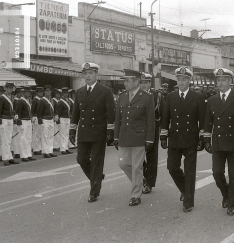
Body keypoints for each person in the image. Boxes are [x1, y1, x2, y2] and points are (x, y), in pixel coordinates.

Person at [203, 68, 234, 216]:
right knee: (217, 172)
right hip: (218, 142)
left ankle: (231, 203)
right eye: (218, 80)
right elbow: (207, 122)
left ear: (230, 81)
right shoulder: (212, 100)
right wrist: (206, 139)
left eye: (224, 80)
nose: (221, 83)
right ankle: (226, 194)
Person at [160, 67, 206, 212]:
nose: (181, 82)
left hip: (191, 138)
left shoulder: (197, 97)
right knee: (172, 168)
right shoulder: (171, 96)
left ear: (189, 81)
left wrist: (202, 138)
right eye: (179, 79)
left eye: (184, 79)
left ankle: (188, 202)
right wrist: (163, 135)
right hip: (174, 138)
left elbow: (203, 120)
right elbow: (166, 118)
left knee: (190, 171)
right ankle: (185, 190)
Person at [70, 62, 115, 203]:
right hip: (84, 131)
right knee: (81, 159)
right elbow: (76, 113)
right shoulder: (79, 92)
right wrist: (72, 129)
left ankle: (94, 191)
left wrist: (110, 131)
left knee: (96, 162)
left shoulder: (105, 91)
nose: (87, 76)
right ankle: (97, 178)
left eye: (90, 73)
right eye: (85, 73)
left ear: (96, 74)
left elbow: (111, 113)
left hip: (99, 132)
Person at [114, 69, 155, 206]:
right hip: (124, 137)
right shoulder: (122, 97)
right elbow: (118, 119)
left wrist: (149, 139)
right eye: (124, 81)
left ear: (136, 81)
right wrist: (115, 137)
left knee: (137, 166)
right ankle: (140, 181)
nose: (125, 83)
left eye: (127, 81)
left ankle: (136, 195)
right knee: (122, 163)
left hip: (139, 137)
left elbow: (151, 120)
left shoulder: (147, 97)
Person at [139, 72, 164, 194]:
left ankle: (149, 183)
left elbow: (163, 113)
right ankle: (145, 175)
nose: (143, 85)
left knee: (152, 157)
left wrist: (163, 130)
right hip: (138, 129)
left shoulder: (157, 95)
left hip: (153, 129)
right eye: (142, 83)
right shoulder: (136, 94)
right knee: (137, 156)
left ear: (150, 83)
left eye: (146, 83)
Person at [0, 82, 19, 166]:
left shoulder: (12, 97)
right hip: (4, 119)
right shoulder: (1, 98)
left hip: (10, 119)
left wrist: (14, 114)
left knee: (9, 139)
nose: (10, 89)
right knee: (5, 139)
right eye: (9, 87)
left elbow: (12, 109)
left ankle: (9, 157)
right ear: (5, 88)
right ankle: (5, 158)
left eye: (11, 88)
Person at [37, 85, 57, 158]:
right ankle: (45, 152)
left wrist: (54, 117)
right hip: (45, 119)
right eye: (47, 91)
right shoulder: (42, 100)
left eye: (49, 91)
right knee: (45, 136)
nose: (48, 92)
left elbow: (53, 110)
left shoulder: (51, 100)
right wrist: (40, 120)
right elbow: (39, 111)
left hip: (51, 119)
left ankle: (50, 151)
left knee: (51, 136)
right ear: (44, 92)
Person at [16, 87, 35, 162]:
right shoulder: (21, 101)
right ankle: (23, 155)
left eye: (29, 92)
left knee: (29, 138)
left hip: (28, 120)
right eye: (27, 92)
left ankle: (28, 154)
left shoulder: (28, 100)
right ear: (23, 93)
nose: (28, 93)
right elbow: (18, 112)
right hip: (23, 120)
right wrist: (19, 121)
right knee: (23, 138)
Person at [55, 87, 72, 155]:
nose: (66, 94)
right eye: (64, 93)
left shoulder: (68, 101)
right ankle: (62, 149)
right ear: (62, 94)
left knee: (67, 134)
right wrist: (57, 120)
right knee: (62, 134)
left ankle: (66, 148)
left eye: (67, 93)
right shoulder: (60, 102)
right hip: (62, 119)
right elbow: (57, 112)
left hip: (67, 118)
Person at [32, 87, 43, 155]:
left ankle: (39, 148)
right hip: (36, 117)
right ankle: (36, 149)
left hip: (40, 117)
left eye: (41, 92)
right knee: (36, 134)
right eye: (39, 92)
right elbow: (33, 110)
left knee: (39, 134)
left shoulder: (41, 99)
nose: (41, 93)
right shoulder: (35, 100)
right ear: (36, 92)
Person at [11, 87, 22, 158]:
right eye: (20, 92)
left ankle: (18, 151)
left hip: (19, 120)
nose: (21, 94)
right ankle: (16, 151)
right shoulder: (15, 100)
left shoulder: (19, 100)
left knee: (19, 136)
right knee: (15, 136)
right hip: (16, 120)